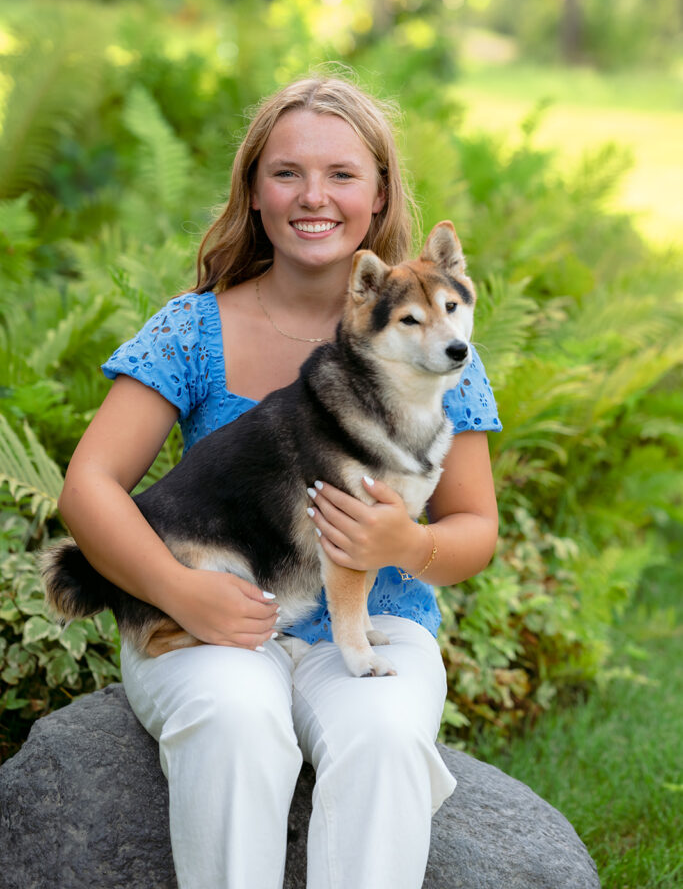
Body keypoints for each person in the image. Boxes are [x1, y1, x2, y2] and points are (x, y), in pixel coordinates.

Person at [58, 74, 501, 889]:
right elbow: (88, 486)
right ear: (253, 192)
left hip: (376, 624)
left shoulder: (434, 348)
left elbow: (475, 527)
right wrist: (179, 592)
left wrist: (411, 541)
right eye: (287, 172)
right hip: (211, 615)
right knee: (231, 721)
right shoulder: (193, 329)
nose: (313, 196)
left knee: (382, 740)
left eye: (341, 175)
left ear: (377, 194)